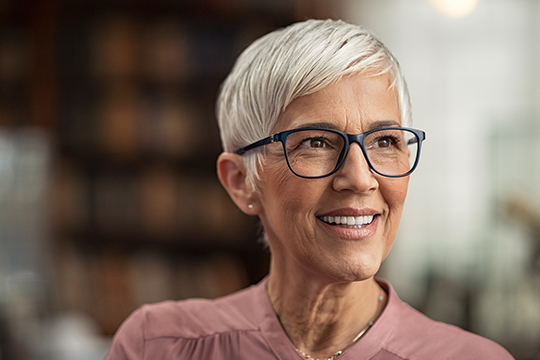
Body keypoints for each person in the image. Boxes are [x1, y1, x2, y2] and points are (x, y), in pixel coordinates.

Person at [104, 19, 514, 360]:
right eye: (316, 142)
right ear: (241, 181)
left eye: (385, 141)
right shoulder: (155, 347)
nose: (359, 178)